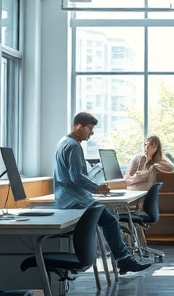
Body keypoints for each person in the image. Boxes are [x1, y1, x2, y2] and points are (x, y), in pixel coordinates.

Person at [53, 111, 149, 275]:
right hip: (76, 201)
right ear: (78, 126)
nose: (92, 133)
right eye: (90, 128)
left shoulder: (63, 142)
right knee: (110, 221)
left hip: (65, 198)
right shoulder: (74, 146)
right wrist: (96, 188)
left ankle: (123, 258)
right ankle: (123, 259)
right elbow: (76, 177)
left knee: (109, 218)